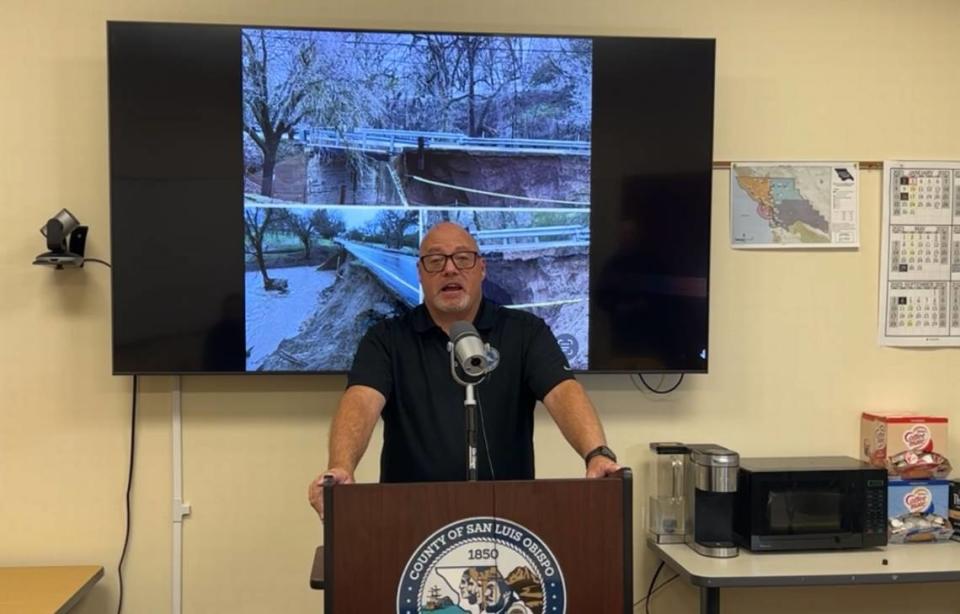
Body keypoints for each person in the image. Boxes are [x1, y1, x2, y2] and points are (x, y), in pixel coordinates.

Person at [308, 222, 619, 517]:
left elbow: (563, 391)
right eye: (435, 260)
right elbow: (361, 400)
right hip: (410, 519)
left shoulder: (525, 332)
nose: (450, 268)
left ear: (481, 268)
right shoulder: (386, 339)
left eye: (462, 258)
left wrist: (597, 453)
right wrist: (341, 467)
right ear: (420, 272)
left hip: (506, 517)